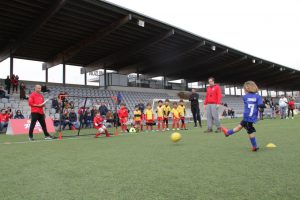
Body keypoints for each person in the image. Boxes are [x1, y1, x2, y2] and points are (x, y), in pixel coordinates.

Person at [221, 81, 264, 152]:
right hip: (252, 117)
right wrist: (262, 107)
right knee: (245, 129)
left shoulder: (245, 97)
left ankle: (228, 133)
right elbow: (260, 106)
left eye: (244, 88)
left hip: (247, 116)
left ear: (247, 88)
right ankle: (254, 146)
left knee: (243, 127)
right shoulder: (258, 97)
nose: (244, 90)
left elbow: (248, 102)